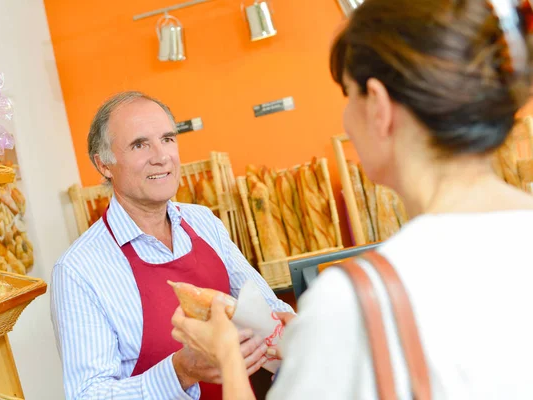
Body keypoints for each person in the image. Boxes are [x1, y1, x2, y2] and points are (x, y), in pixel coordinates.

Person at [170, 0, 533, 398]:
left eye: (348, 94)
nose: (346, 116)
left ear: (377, 105)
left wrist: (227, 357)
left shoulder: (357, 301)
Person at [51, 91, 294, 400]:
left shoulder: (204, 221)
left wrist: (293, 329)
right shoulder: (78, 270)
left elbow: (265, 306)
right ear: (104, 164)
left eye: (167, 139)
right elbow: (88, 395)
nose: (161, 155)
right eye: (140, 144)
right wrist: (181, 371)